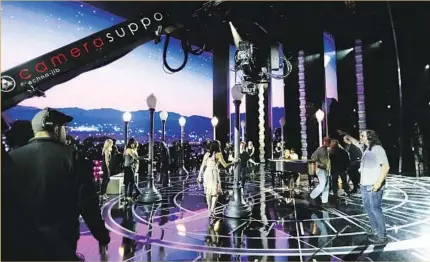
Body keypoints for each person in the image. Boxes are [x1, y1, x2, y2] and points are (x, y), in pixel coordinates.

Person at [7, 108, 110, 260]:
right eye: (64, 128)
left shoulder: (11, 159)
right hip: (61, 244)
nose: (65, 132)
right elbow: (88, 204)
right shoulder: (72, 157)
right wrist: (102, 236)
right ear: (55, 128)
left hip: (21, 244)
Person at [340, 129, 390, 244]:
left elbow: (386, 167)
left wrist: (378, 183)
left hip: (373, 185)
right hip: (365, 185)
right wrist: (347, 135)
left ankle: (382, 236)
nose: (360, 137)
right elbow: (356, 142)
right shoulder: (368, 149)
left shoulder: (377, 148)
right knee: (368, 208)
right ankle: (375, 229)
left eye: (362, 135)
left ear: (370, 137)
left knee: (376, 209)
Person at [197, 140, 235, 217]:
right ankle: (212, 210)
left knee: (208, 192)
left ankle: (209, 209)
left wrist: (199, 175)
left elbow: (202, 166)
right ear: (218, 146)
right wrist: (234, 162)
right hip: (214, 174)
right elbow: (225, 165)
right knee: (215, 193)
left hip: (207, 173)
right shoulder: (219, 154)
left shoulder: (207, 154)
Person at [309, 137, 331, 207]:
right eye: (327, 142)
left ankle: (325, 201)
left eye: (329, 142)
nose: (329, 143)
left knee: (326, 186)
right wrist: (320, 164)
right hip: (320, 170)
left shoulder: (327, 151)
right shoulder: (319, 150)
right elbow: (312, 157)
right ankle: (312, 196)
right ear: (324, 142)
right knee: (322, 184)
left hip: (326, 170)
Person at [123, 138, 142, 202]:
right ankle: (128, 195)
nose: (133, 145)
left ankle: (129, 196)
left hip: (129, 167)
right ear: (129, 144)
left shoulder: (130, 149)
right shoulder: (128, 150)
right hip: (128, 167)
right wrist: (145, 158)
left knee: (130, 182)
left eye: (133, 144)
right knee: (130, 182)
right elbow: (135, 157)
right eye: (132, 144)